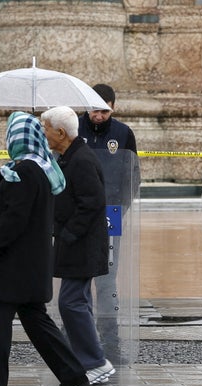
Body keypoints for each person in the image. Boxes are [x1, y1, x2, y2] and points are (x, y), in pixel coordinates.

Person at [0, 111, 89, 386]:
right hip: (25, 265)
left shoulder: (27, 170)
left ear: (18, 137)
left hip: (11, 264)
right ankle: (72, 374)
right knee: (36, 321)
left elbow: (15, 217)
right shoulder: (37, 167)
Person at [41, 106, 115, 385]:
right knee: (79, 301)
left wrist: (69, 234)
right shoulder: (69, 157)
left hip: (81, 245)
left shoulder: (81, 160)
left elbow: (92, 202)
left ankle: (96, 361)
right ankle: (89, 360)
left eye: (46, 127)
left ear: (60, 132)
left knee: (70, 302)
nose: (43, 132)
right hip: (76, 243)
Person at [79, 83, 141, 364]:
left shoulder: (123, 134)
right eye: (94, 109)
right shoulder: (72, 129)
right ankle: (77, 340)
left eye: (104, 110)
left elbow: (133, 175)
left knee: (106, 282)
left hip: (110, 217)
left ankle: (111, 342)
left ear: (113, 107)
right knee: (77, 279)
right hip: (78, 218)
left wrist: (122, 207)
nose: (99, 115)